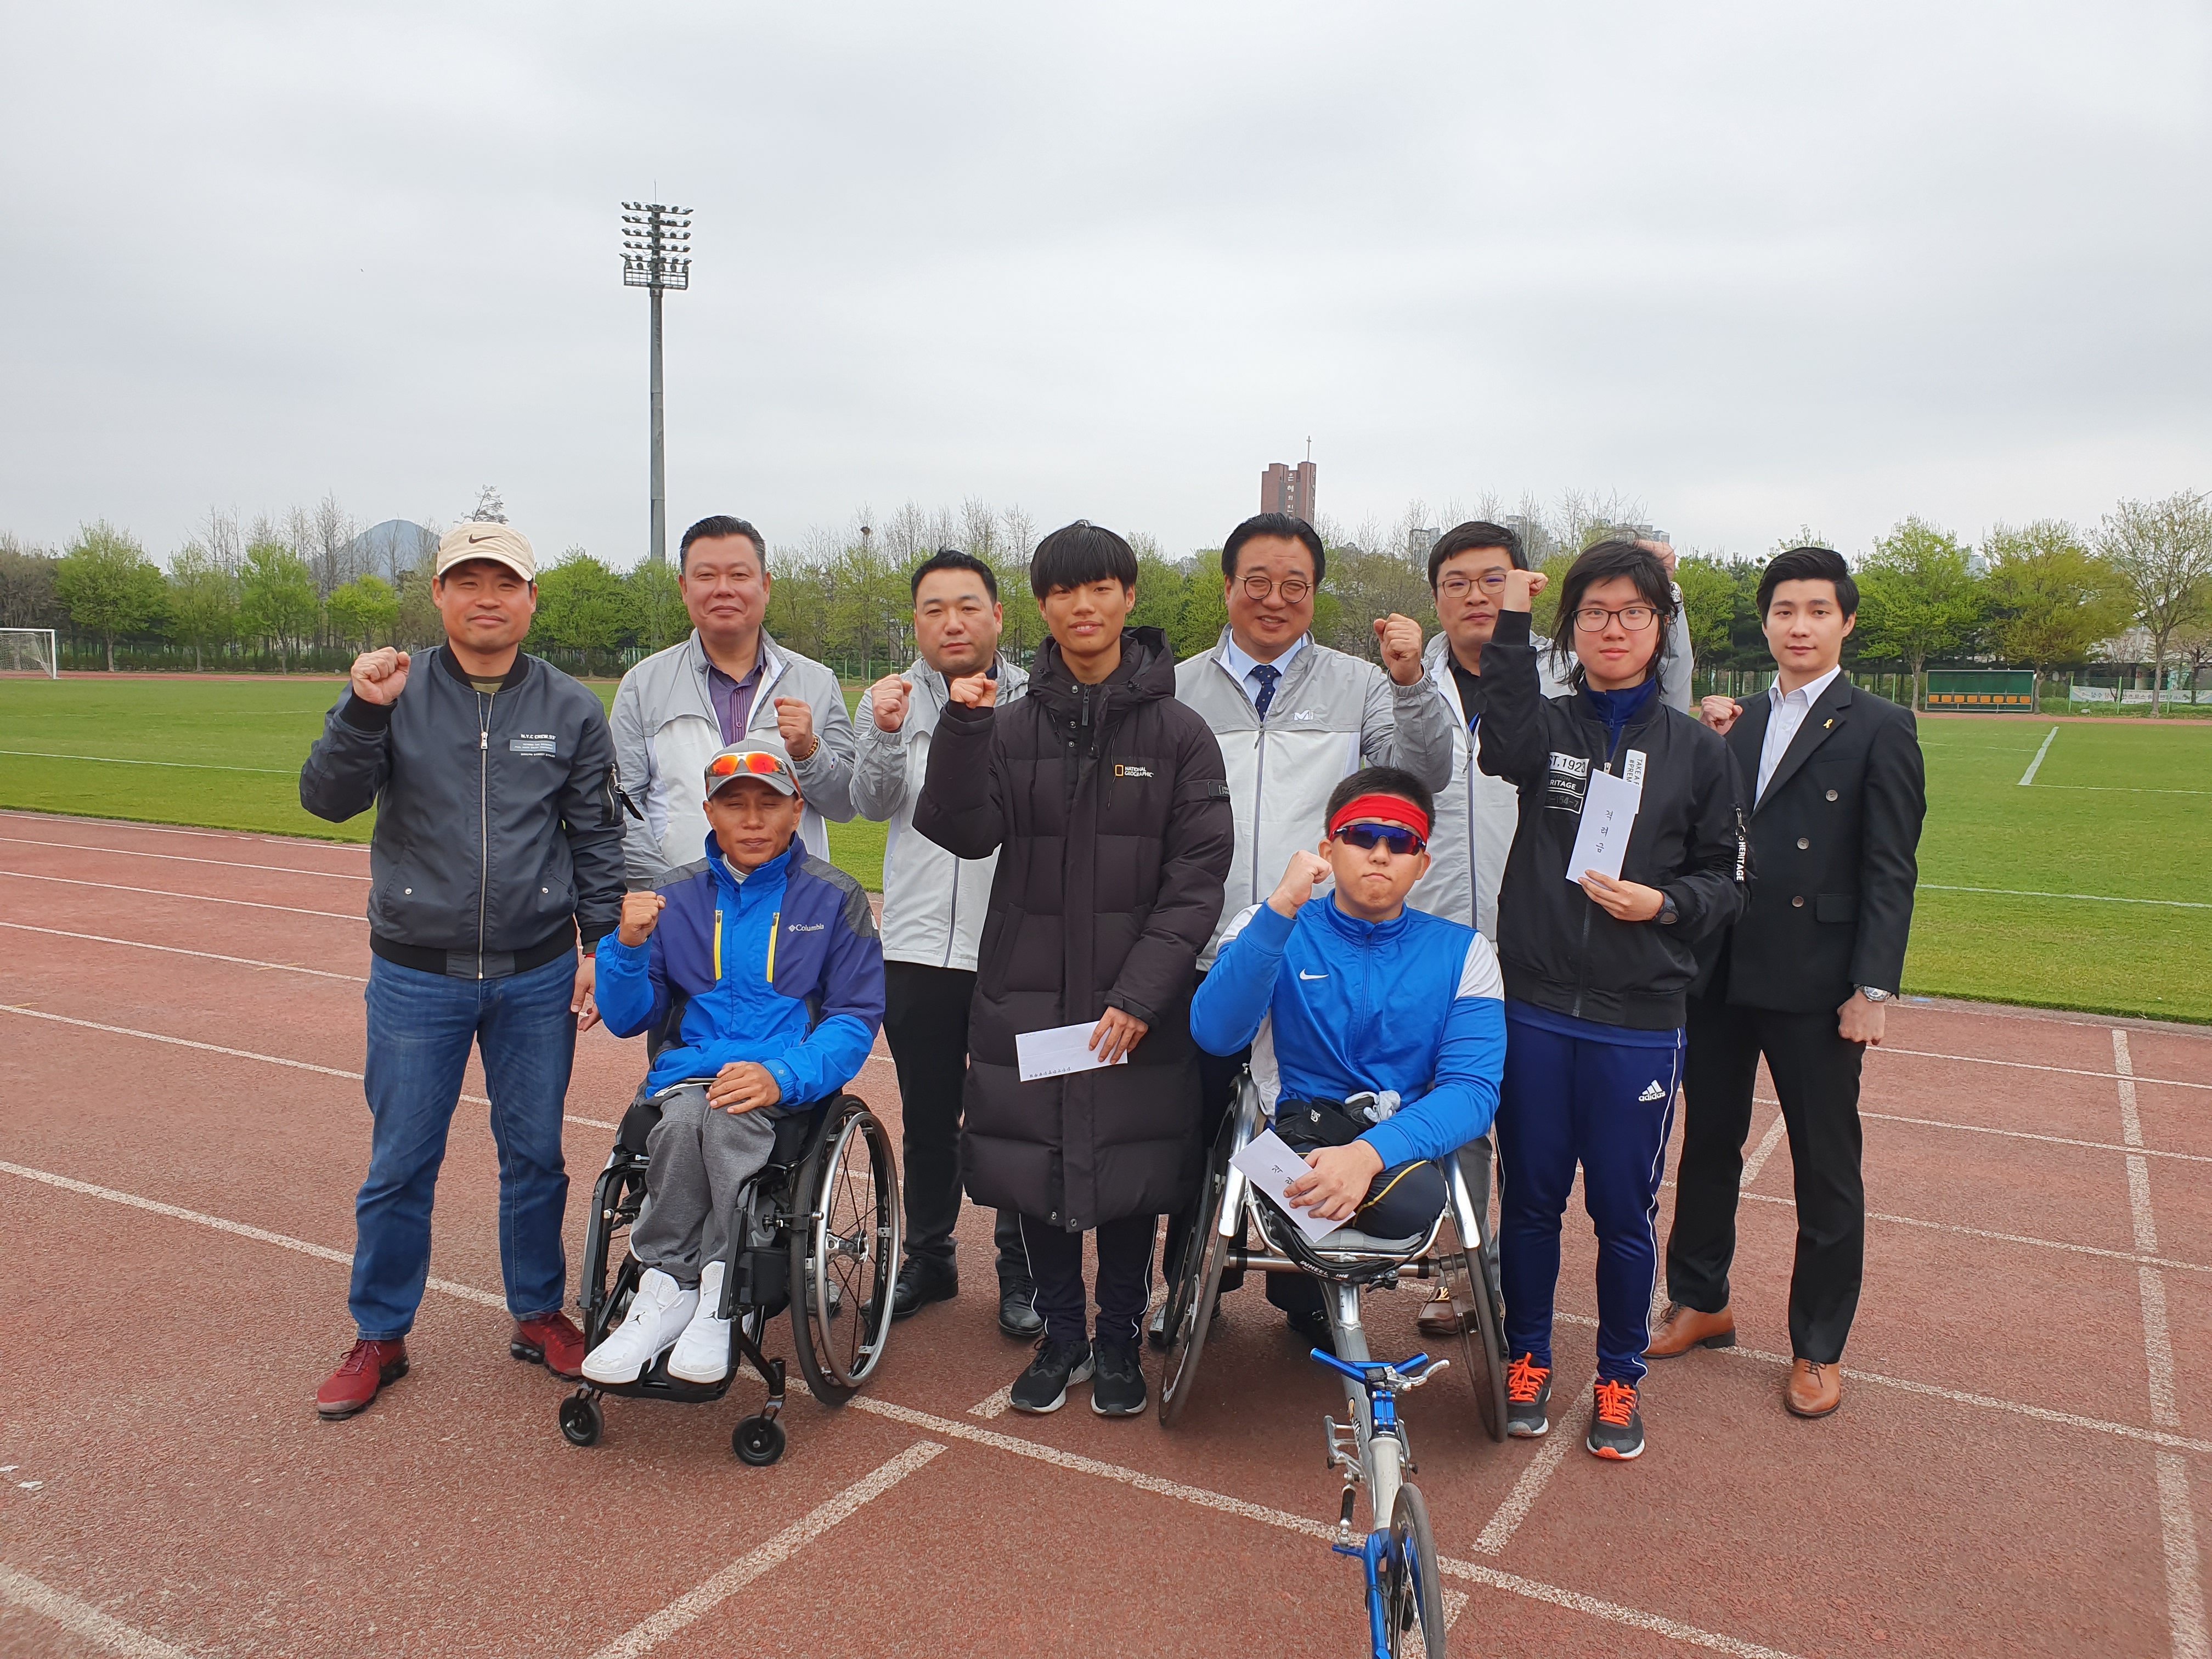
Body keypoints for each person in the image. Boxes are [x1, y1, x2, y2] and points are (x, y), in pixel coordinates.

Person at [300, 521, 624, 1420]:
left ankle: (537, 1312)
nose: (487, 598)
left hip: (535, 971)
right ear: (439, 595)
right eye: (468, 581)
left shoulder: (569, 707)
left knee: (536, 1156)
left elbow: (596, 835)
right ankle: (380, 1332)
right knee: (402, 1160)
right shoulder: (394, 693)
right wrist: (362, 710)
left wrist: (599, 946)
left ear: (531, 598)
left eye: (505, 582)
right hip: (417, 974)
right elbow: (326, 799)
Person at [915, 521, 1232, 1418]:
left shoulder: (1181, 735)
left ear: (1129, 597)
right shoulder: (1007, 725)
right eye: (1063, 591)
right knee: (1040, 1169)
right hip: (1029, 995)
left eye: (1100, 588)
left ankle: (1119, 1338)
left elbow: (1196, 879)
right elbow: (962, 830)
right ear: (1042, 606)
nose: (1082, 605)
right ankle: (1061, 1336)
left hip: (1136, 1003)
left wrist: (1142, 995)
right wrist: (963, 725)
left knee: (1129, 1173)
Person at [1477, 543, 1747, 1461]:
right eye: (1594, 612)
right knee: (1530, 1201)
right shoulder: (1546, 728)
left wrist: (1662, 904)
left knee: (1625, 1214)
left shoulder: (1698, 751)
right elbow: (1498, 741)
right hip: (1536, 1006)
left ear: (1660, 626)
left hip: (1638, 1020)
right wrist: (1512, 619)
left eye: (1634, 612)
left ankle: (1619, 1373)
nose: (1614, 628)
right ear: (1571, 629)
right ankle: (1527, 1356)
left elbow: (1725, 880)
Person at [1650, 546, 1926, 1419]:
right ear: (1766, 622)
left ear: (1846, 622)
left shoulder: (1881, 725)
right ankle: (1701, 1300)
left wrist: (1872, 990)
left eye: (1817, 611)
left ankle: (1818, 1346)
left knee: (1825, 1167)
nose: (1799, 626)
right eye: (1783, 611)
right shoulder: (1738, 720)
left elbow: (1891, 868)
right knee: (1708, 1145)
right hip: (1721, 970)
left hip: (1816, 980)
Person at [1161, 511, 1453, 1338]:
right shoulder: (1177, 688)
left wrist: (1410, 682)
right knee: (1189, 1132)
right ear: (1228, 587)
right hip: (1203, 943)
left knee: (1308, 1117)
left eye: (1296, 585)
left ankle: (1307, 1291)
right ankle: (1191, 1287)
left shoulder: (1362, 684)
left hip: (1314, 952)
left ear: (1316, 594)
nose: (1275, 598)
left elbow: (1425, 773)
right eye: (1257, 581)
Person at [1407, 523, 1695, 1337]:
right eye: (1459, 582)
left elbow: (1664, 690)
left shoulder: (1578, 677)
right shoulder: (1411, 677)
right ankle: (1462, 1278)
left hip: (1554, 947)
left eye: (1494, 580)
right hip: (1444, 934)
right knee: (1457, 1114)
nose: (1478, 596)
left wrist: (1663, 597)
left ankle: (1549, 1311)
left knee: (1565, 1158)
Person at [580, 737, 885, 1385]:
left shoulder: (835, 897)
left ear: (796, 809)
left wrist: (782, 1075)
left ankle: (721, 1287)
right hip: (690, 1075)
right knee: (685, 1119)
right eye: (734, 805)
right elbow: (631, 1017)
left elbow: (854, 1017)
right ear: (709, 813)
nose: (752, 820)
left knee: (723, 1118)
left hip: (787, 1078)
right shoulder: (672, 895)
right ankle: (667, 1289)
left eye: (768, 804)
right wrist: (626, 948)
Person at [1190, 768, 1506, 1350]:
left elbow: (1472, 1091)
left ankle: (1315, 1292)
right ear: (1328, 848)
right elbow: (1216, 1035)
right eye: (1362, 836)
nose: (1380, 854)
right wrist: (1282, 909)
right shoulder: (1267, 922)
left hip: (1398, 1148)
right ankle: (1304, 1300)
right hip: (1295, 1132)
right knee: (1304, 1203)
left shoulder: (1466, 953)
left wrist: (1365, 1156)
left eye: (1401, 842)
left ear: (1422, 863)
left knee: (1414, 1200)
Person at [852, 549, 1039, 1338]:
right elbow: (869, 804)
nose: (952, 623)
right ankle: (929, 1257)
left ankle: (1022, 1269)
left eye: (968, 606)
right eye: (934, 610)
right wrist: (885, 733)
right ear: (917, 624)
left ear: (998, 616)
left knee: (1022, 1117)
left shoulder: (1038, 699)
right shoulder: (890, 697)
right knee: (928, 1117)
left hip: (1018, 949)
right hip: (919, 944)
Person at [610, 515, 856, 889]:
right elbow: (622, 808)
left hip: (793, 909)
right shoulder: (643, 686)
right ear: (684, 588)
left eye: (739, 575)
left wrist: (810, 752)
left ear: (766, 586)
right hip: (680, 911)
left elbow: (845, 805)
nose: (723, 589)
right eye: (706, 576)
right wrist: (674, 892)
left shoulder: (817, 683)